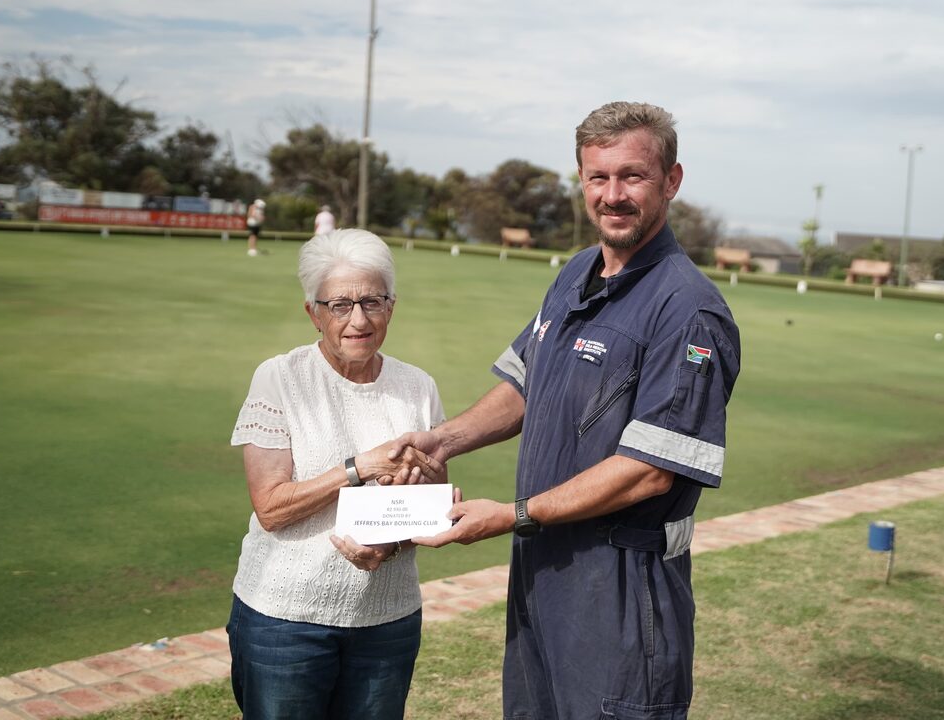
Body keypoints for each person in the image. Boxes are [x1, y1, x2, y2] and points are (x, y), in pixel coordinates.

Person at [395, 101, 742, 719]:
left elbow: (651, 468)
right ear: (581, 181)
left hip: (621, 588)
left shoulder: (688, 308)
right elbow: (528, 384)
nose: (613, 194)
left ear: (672, 181)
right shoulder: (576, 273)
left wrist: (514, 513)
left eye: (632, 176)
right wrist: (442, 442)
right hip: (543, 572)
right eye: (598, 177)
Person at [226, 228, 444, 719]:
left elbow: (432, 508)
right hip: (284, 620)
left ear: (392, 305)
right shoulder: (280, 378)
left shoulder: (418, 387)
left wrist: (393, 540)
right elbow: (271, 509)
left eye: (372, 301)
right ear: (314, 313)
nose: (358, 320)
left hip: (387, 620)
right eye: (340, 305)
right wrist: (359, 468)